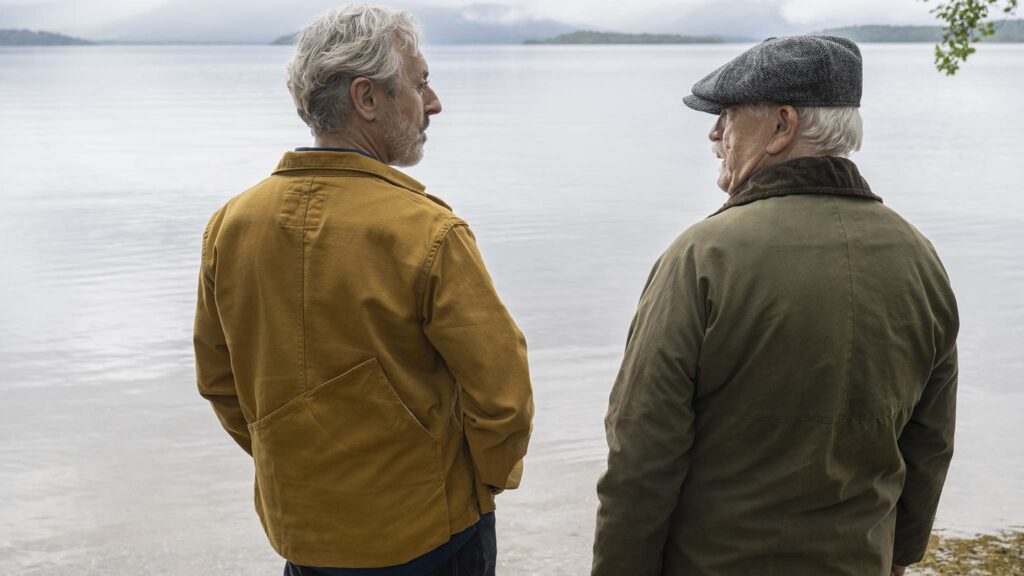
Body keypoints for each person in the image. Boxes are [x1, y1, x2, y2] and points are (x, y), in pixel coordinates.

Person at [592, 36, 958, 576]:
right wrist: (898, 556)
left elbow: (641, 452)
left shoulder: (703, 255)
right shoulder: (919, 256)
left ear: (783, 126)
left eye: (728, 116)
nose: (714, 134)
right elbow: (930, 441)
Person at [193, 6, 534, 576]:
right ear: (367, 98)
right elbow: (503, 399)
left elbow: (220, 383)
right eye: (420, 81)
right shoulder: (426, 232)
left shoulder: (231, 225)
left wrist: (295, 466)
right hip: (431, 537)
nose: (434, 102)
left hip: (303, 538)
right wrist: (478, 487)